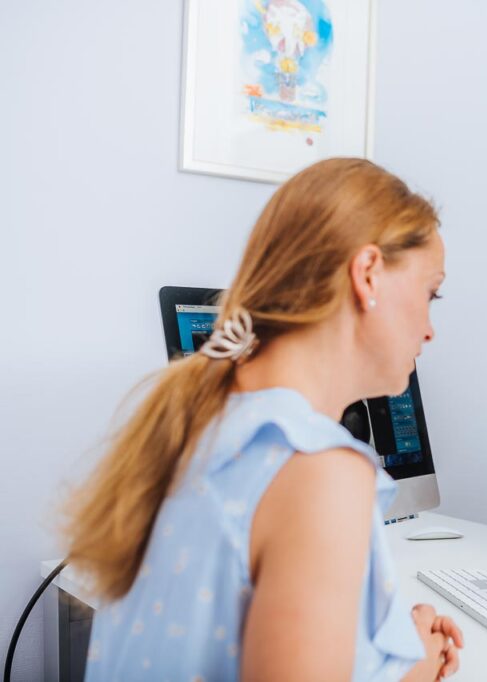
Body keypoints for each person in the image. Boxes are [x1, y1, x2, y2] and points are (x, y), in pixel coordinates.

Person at [65, 158, 463, 680]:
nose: (431, 330)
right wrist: (416, 669)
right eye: (430, 294)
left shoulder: (191, 425)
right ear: (367, 274)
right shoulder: (321, 473)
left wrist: (384, 645)